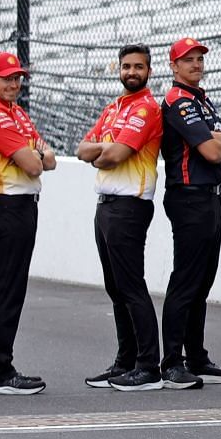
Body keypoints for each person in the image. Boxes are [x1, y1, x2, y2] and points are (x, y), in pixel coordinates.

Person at [157, 37, 221, 389]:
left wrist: (219, 138)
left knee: (202, 282)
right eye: (187, 60)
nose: (196, 64)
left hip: (210, 198)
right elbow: (213, 151)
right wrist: (218, 139)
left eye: (199, 59)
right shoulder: (178, 101)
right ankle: (172, 363)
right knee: (186, 281)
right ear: (174, 66)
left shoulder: (202, 100)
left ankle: (197, 357)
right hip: (189, 198)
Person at [77, 45, 163, 391]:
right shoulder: (113, 108)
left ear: (149, 72)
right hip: (106, 206)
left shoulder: (147, 108)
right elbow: (82, 148)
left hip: (130, 206)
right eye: (126, 66)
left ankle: (148, 367)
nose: (131, 72)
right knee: (116, 289)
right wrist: (101, 152)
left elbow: (114, 154)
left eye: (138, 67)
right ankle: (125, 361)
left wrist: (101, 152)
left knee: (131, 285)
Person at [0, 51, 54, 395]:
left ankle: (2, 368)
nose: (14, 83)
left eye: (17, 78)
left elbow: (48, 157)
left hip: (21, 206)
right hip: (8, 205)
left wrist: (36, 154)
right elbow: (36, 164)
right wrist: (36, 154)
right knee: (8, 288)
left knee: (12, 287)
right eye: (6, 78)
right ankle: (1, 372)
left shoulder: (16, 113)